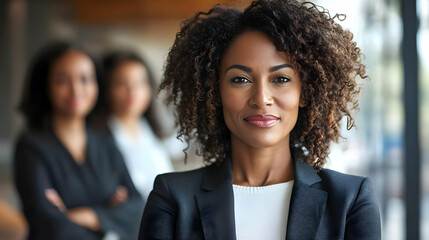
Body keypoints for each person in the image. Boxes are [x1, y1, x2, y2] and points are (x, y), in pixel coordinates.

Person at [138, 0, 381, 239]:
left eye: (281, 79)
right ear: (215, 91)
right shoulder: (172, 198)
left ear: (305, 92)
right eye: (240, 79)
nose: (261, 98)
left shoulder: (351, 200)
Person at [14, 42, 143, 240]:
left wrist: (89, 216)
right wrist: (110, 217)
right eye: (63, 80)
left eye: (85, 79)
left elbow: (138, 208)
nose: (76, 90)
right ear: (46, 86)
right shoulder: (31, 147)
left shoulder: (106, 143)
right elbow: (47, 223)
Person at [96, 51, 174, 202]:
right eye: (121, 83)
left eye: (140, 83)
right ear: (107, 89)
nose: (132, 91)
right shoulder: (100, 137)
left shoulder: (151, 129)